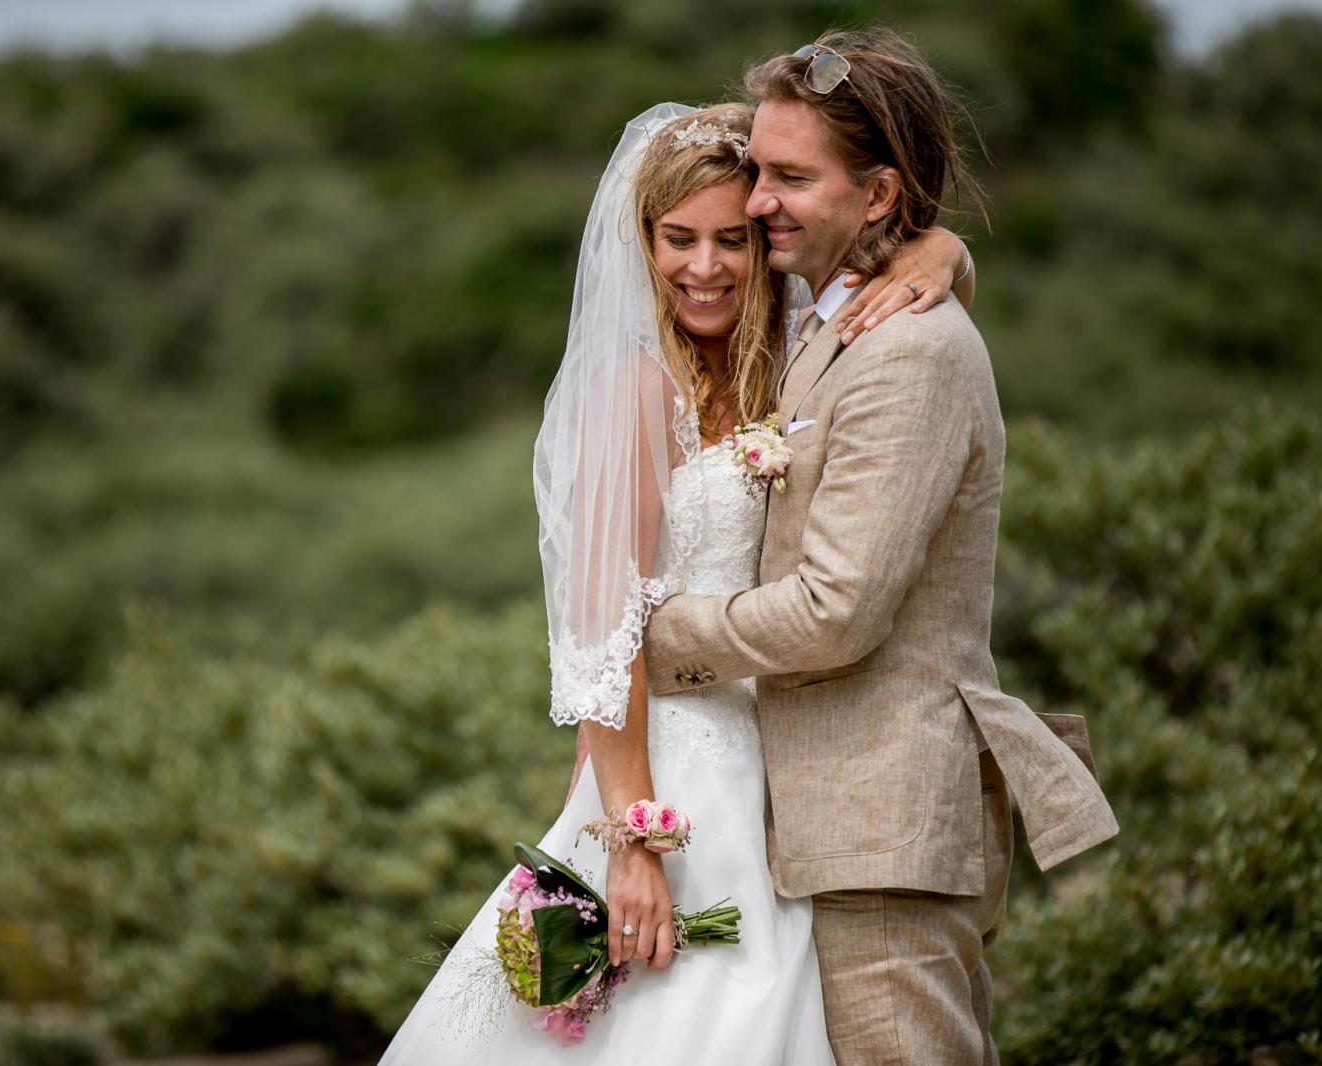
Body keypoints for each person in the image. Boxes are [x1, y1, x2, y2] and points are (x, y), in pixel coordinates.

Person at [378, 97, 971, 1064]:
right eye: (677, 239)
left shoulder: (789, 356)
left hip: (783, 766)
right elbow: (601, 635)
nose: (706, 268)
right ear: (642, 242)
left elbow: (896, 273)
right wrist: (634, 842)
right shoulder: (637, 391)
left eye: (732, 239)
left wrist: (943, 251)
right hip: (674, 780)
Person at [639, 30, 1119, 1065]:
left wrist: (657, 636)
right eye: (758, 171)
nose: (758, 199)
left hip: (883, 828)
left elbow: (835, 609)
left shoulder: (909, 350)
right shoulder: (834, 316)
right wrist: (943, 249)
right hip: (820, 827)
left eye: (789, 177)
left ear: (877, 194)